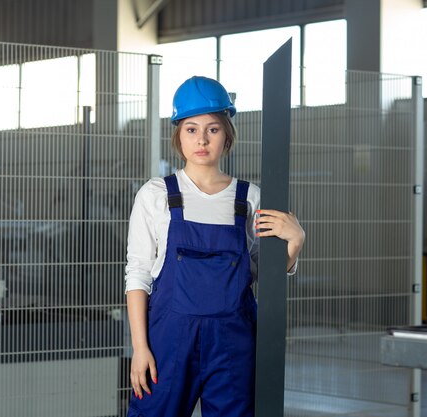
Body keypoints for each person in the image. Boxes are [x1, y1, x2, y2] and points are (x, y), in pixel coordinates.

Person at [124, 75, 305, 417]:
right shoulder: (156, 194)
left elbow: (259, 273)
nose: (202, 140)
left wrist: (295, 242)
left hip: (233, 344)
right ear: (178, 135)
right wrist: (140, 347)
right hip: (169, 343)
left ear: (227, 135)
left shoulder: (250, 199)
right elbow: (138, 274)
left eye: (213, 129)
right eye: (191, 129)